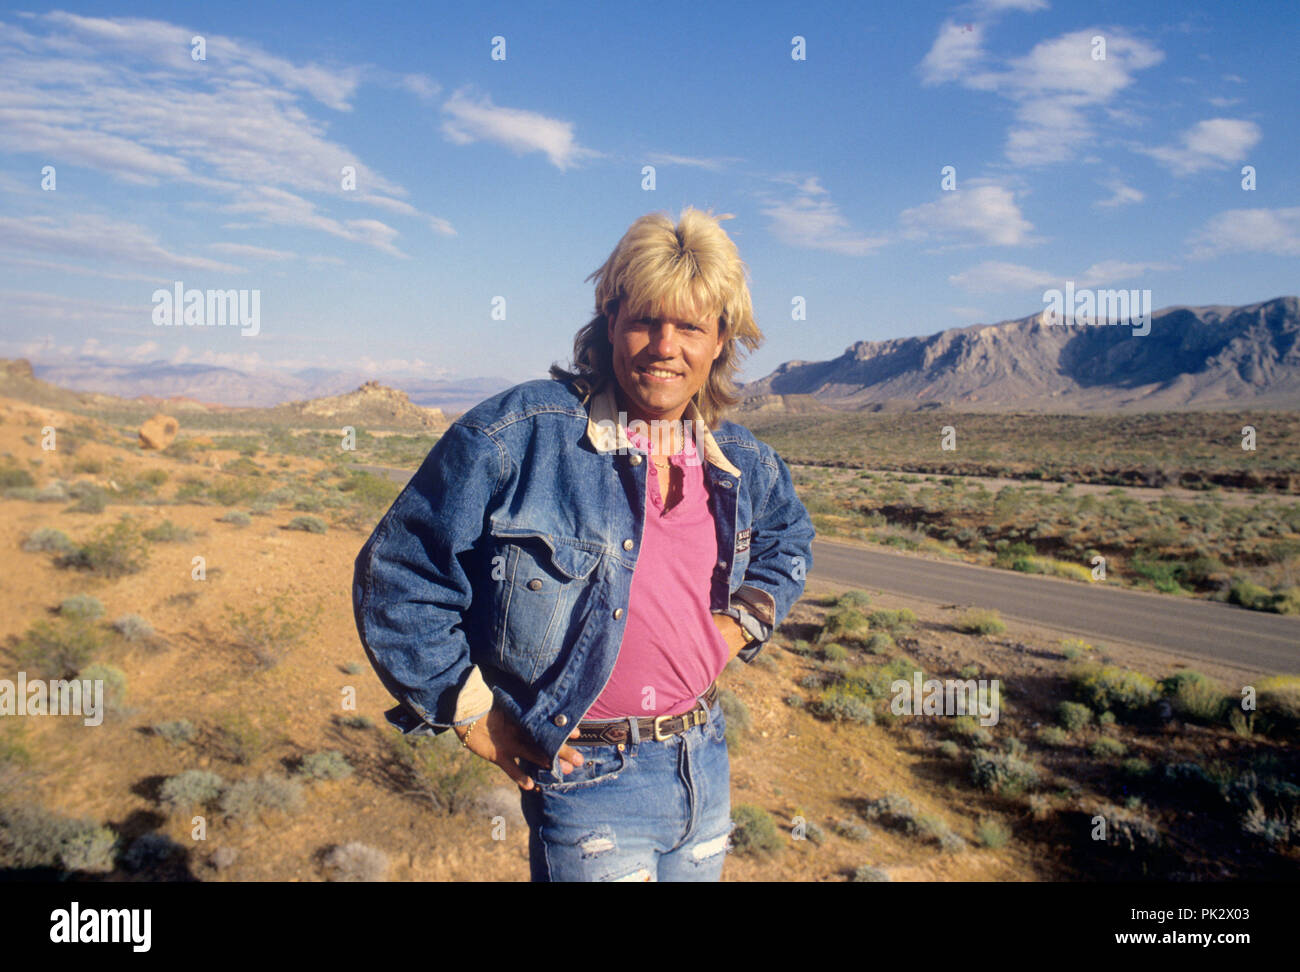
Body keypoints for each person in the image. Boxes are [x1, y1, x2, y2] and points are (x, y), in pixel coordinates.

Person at [352, 206, 815, 881]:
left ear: (721, 341)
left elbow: (790, 539)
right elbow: (399, 572)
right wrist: (469, 711)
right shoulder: (525, 434)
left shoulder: (739, 461)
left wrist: (740, 623)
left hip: (703, 763)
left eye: (690, 326)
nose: (665, 345)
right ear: (609, 323)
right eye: (644, 321)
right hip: (589, 777)